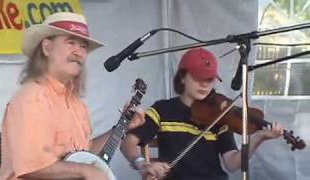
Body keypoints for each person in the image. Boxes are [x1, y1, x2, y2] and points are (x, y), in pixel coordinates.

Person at [0, 12, 145, 180]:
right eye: (71, 43)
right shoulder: (32, 98)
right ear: (47, 47)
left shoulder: (77, 104)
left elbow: (83, 156)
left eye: (83, 46)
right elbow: (31, 166)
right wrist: (86, 171)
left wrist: (121, 128)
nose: (79, 52)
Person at [120, 48, 284, 180]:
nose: (205, 84)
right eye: (198, 77)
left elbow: (232, 163)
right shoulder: (162, 110)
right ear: (183, 77)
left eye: (210, 79)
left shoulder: (219, 114)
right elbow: (128, 143)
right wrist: (143, 165)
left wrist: (257, 138)